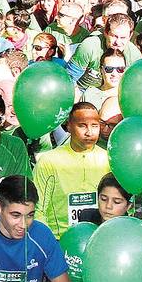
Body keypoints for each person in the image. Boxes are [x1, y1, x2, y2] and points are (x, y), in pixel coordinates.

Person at [31, 101, 110, 238]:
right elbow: (38, 209)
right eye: (82, 126)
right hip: (59, 240)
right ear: (69, 126)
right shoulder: (49, 162)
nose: (89, 132)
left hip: (100, 240)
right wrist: (49, 242)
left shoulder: (109, 160)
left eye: (95, 126)